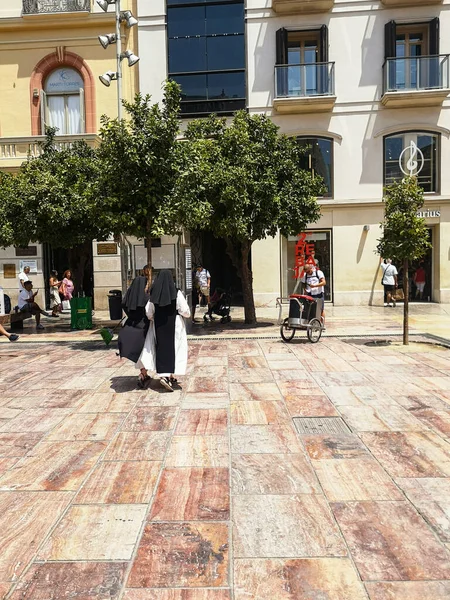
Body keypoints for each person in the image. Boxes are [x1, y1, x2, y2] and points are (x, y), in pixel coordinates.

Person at [138, 269, 191, 392]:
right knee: (176, 348)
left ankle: (166, 373)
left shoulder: (153, 293)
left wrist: (155, 318)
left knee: (161, 347)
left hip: (159, 324)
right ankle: (168, 374)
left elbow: (149, 312)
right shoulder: (176, 292)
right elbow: (186, 311)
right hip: (176, 323)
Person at [118, 266, 151, 389]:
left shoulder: (128, 299)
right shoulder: (146, 298)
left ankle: (143, 373)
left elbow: (124, 305)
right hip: (144, 328)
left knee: (138, 352)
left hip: (131, 327)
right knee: (145, 351)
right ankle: (143, 374)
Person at [301, 263, 327, 330]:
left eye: (308, 271)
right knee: (310, 309)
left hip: (318, 294)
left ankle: (322, 325)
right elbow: (303, 283)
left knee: (321, 309)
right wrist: (305, 290)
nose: (308, 273)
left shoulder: (319, 273)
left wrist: (315, 285)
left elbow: (324, 282)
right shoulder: (305, 275)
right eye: (306, 272)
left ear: (311, 268)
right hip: (310, 294)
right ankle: (310, 324)